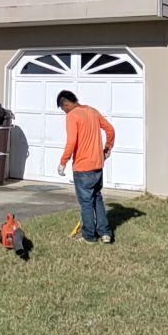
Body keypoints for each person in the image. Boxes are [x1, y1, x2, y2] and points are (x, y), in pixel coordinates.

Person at [56, 90, 115, 244]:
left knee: (86, 202)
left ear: (65, 104)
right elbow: (110, 129)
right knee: (97, 198)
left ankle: (89, 236)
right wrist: (107, 148)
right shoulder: (92, 111)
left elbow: (71, 142)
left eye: (63, 109)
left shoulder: (72, 116)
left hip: (83, 167)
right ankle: (105, 233)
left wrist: (63, 162)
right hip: (97, 164)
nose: (64, 112)